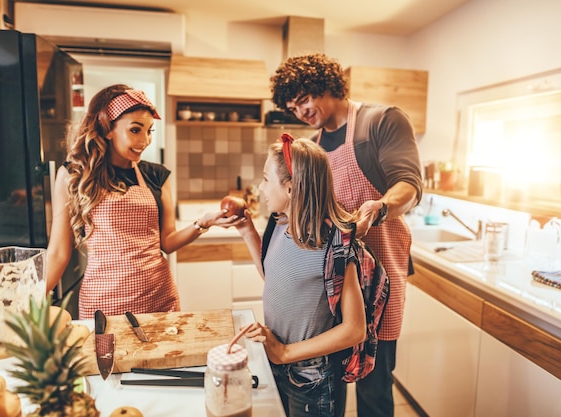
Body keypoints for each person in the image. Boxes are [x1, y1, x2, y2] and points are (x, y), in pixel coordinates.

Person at [270, 53, 423, 417]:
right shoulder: (312, 145)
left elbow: (410, 185)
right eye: (293, 106)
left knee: (374, 388)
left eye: (305, 99)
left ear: (328, 85)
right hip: (334, 281)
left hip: (381, 278)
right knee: (329, 380)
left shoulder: (380, 121)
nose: (301, 110)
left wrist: (380, 207)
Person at [46, 84, 234, 319]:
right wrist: (31, 299)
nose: (145, 141)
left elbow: (167, 242)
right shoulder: (75, 175)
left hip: (158, 296)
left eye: (149, 131)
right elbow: (58, 253)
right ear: (107, 129)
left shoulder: (157, 175)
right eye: (135, 130)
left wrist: (203, 224)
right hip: (103, 302)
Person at [236, 134, 367, 417]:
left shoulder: (335, 246)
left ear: (292, 188)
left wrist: (285, 352)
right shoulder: (280, 223)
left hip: (313, 377)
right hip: (278, 360)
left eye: (266, 179)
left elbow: (356, 329)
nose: (260, 187)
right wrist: (247, 230)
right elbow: (276, 278)